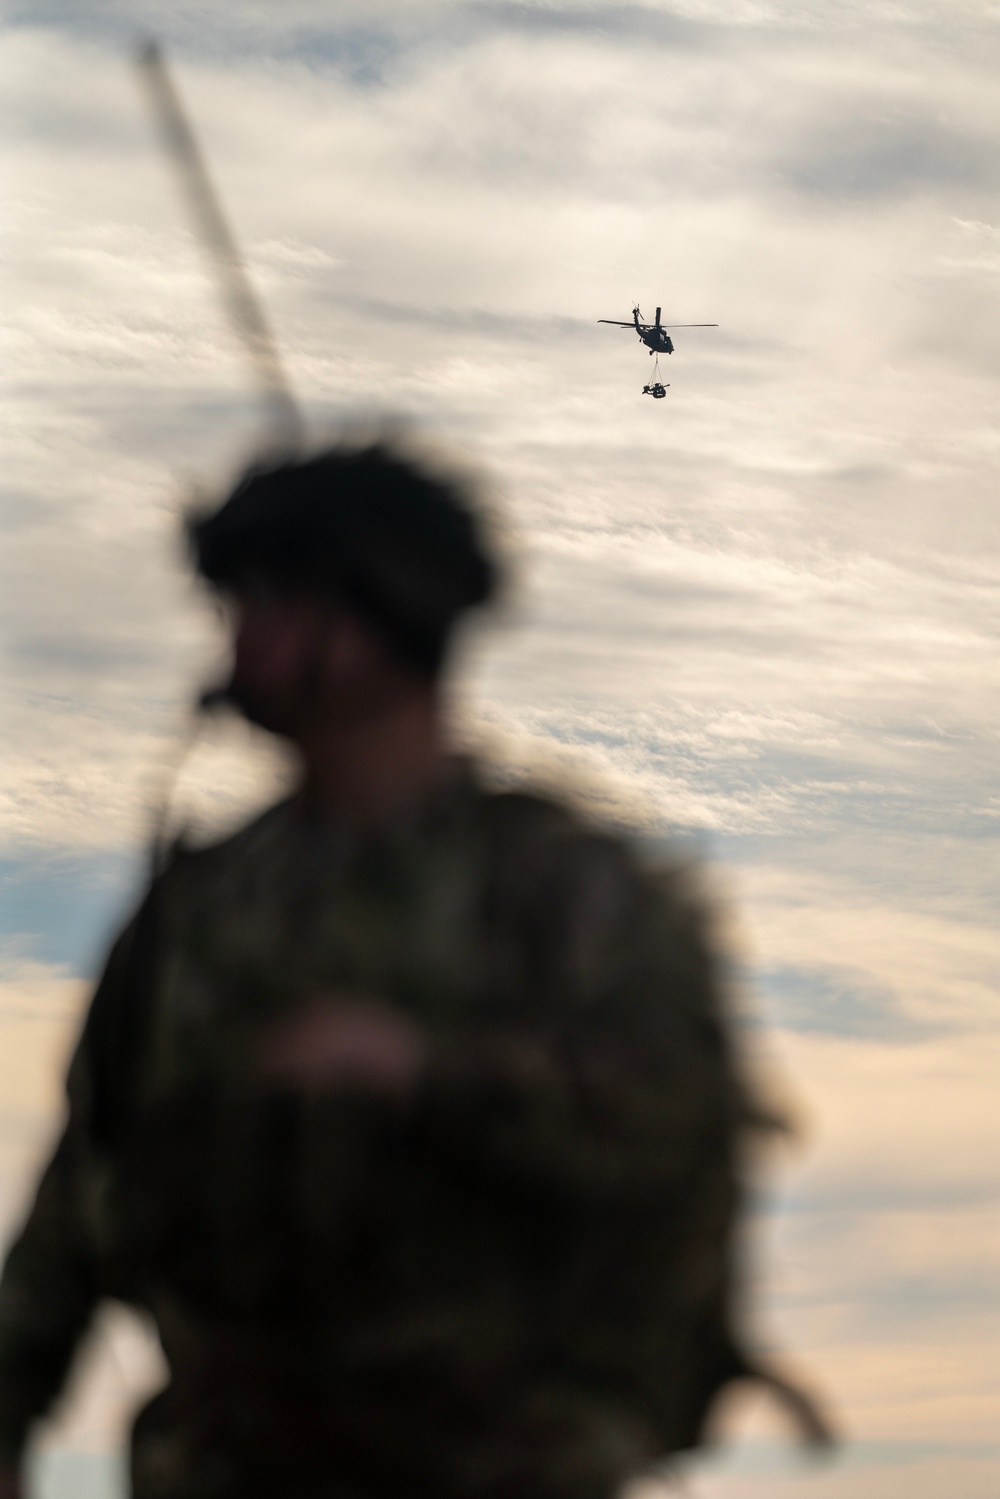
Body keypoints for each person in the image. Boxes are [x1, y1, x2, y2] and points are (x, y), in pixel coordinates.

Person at [0, 441, 823, 1499]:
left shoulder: (567, 891)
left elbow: (682, 1129)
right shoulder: (202, 906)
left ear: (370, 621)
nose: (235, 636)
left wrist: (427, 1071)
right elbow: (89, 1176)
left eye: (268, 599)